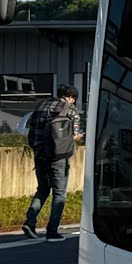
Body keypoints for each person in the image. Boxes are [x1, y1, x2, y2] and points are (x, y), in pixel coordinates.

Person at [22, 85, 84, 241]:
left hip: (40, 155)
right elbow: (74, 135)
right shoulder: (70, 109)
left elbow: (31, 129)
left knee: (43, 189)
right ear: (71, 97)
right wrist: (78, 137)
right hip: (59, 157)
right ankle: (52, 231)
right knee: (59, 194)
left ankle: (30, 222)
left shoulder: (41, 106)